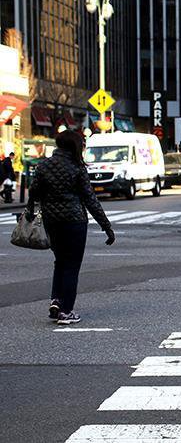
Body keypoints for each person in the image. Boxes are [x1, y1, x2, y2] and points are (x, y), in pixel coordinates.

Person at [27, 130, 114, 325]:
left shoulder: (44, 165)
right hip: (74, 222)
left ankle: (56, 300)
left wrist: (33, 213)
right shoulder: (76, 167)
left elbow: (34, 192)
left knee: (60, 262)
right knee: (71, 266)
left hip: (52, 221)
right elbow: (90, 200)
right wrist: (106, 227)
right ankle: (66, 311)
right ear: (75, 146)